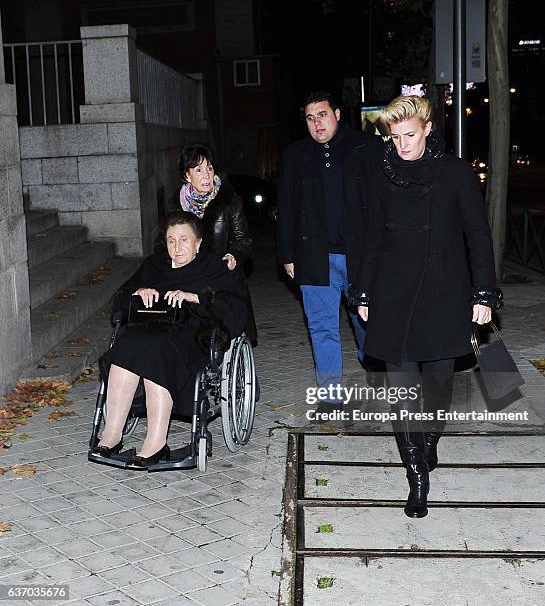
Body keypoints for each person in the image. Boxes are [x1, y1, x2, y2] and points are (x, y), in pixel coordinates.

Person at [350, 95, 503, 518]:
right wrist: (362, 291)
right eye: (395, 137)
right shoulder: (381, 174)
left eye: (410, 135)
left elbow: (478, 237)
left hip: (443, 295)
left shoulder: (454, 173)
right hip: (393, 297)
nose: (402, 145)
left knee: (435, 394)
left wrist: (484, 294)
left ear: (428, 129)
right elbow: (372, 238)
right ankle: (417, 477)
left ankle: (428, 442)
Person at [91, 212, 248, 468]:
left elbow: (235, 309)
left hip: (192, 333)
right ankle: (112, 435)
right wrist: (138, 293)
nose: (177, 247)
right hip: (151, 327)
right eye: (171, 240)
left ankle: (156, 442)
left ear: (197, 243)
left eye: (184, 240)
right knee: (126, 344)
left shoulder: (212, 268)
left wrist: (194, 297)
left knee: (159, 350)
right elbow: (119, 302)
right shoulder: (154, 266)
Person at [277, 91, 382, 407]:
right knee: (321, 327)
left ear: (336, 113)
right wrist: (287, 255)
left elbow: (383, 202)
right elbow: (287, 207)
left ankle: (374, 365)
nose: (316, 123)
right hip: (314, 256)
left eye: (322, 114)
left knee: (367, 322)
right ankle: (330, 394)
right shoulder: (296, 155)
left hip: (360, 256)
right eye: (310, 117)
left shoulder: (366, 146)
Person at [166, 142, 257, 344]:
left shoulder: (228, 200)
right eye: (198, 170)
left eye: (209, 168)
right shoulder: (175, 204)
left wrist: (233, 256)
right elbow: (163, 242)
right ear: (187, 176)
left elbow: (243, 241)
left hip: (219, 278)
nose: (206, 175)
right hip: (187, 277)